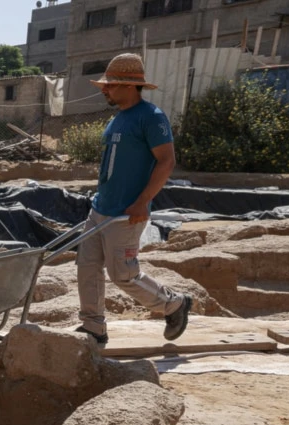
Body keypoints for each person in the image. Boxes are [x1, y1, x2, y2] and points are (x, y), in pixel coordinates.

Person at [75, 53, 192, 345]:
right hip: (100, 208)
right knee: (87, 268)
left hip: (127, 213)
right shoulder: (117, 119)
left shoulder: (151, 117)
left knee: (123, 275)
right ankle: (94, 328)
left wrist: (143, 202)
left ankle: (173, 305)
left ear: (129, 86)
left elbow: (166, 161)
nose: (105, 90)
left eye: (110, 85)